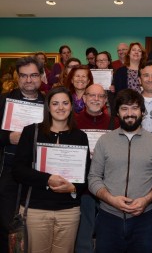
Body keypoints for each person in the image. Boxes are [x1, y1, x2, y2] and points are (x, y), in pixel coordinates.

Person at [88, 89, 152, 253]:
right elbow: (93, 178)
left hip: (144, 220)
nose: (129, 113)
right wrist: (111, 200)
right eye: (124, 108)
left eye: (134, 108)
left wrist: (146, 200)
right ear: (117, 112)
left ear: (142, 112)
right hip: (108, 218)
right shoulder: (105, 141)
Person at [13, 86, 90, 253]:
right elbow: (18, 170)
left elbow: (86, 176)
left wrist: (74, 187)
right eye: (55, 103)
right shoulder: (31, 131)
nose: (60, 108)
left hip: (68, 212)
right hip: (36, 210)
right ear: (48, 106)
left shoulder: (80, 136)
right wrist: (47, 179)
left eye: (65, 103)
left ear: (71, 106)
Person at [0, 57, 45, 252]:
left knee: (34, 226)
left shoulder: (49, 102)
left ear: (41, 76)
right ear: (18, 78)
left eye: (33, 75)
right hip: (7, 172)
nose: (29, 80)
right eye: (24, 75)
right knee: (5, 223)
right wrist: (8, 137)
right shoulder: (4, 100)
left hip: (37, 172)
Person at [74, 84, 119, 253]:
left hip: (109, 185)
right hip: (81, 186)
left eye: (100, 96)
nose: (96, 99)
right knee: (83, 232)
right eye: (91, 95)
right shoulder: (72, 121)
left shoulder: (115, 122)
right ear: (84, 98)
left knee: (108, 234)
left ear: (106, 100)